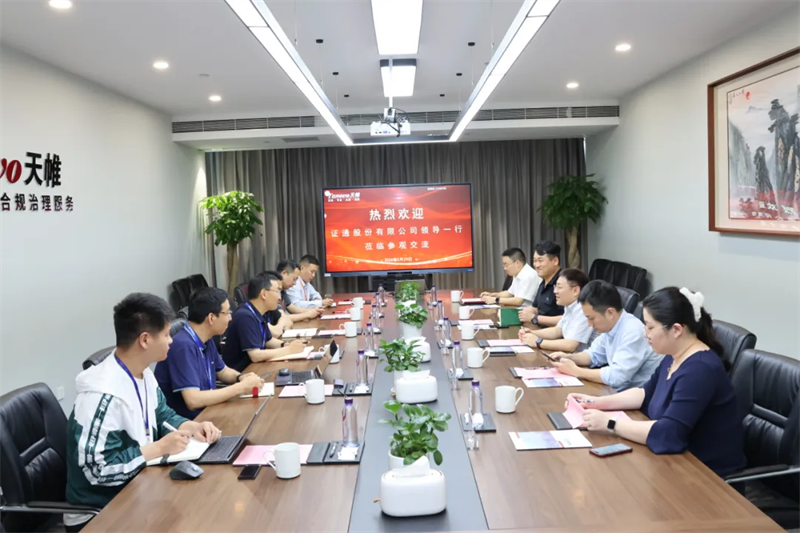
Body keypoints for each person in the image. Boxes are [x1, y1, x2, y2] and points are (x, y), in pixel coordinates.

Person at [66, 293, 222, 533]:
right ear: (145, 340)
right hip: (101, 512)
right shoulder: (102, 396)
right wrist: (158, 448)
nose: (171, 340)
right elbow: (98, 471)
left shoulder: (143, 373)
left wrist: (190, 427)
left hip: (141, 486)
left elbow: (162, 414)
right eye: (167, 335)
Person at [568, 287, 746, 477]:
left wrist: (610, 423)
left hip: (703, 474)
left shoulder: (700, 369)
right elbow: (644, 393)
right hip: (672, 462)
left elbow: (668, 434)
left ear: (676, 330)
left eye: (650, 327)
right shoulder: (673, 355)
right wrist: (596, 402)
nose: (645, 334)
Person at [154, 287, 265, 419]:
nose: (230, 318)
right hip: (191, 423)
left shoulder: (206, 338)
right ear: (211, 318)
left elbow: (223, 372)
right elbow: (193, 400)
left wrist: (241, 377)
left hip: (210, 412)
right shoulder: (183, 346)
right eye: (227, 313)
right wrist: (240, 388)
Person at [550, 280, 662, 391]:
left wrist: (577, 371)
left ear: (610, 313)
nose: (589, 324)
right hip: (615, 391)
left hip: (638, 397)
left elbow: (616, 377)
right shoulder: (611, 326)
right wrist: (568, 357)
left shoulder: (633, 331)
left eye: (591, 318)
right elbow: (593, 355)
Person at [222, 272, 307, 372]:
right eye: (277, 291)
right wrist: (288, 350)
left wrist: (286, 344)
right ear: (264, 294)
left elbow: (268, 341)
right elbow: (255, 355)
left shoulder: (260, 312)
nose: (279, 297)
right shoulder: (245, 316)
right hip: (243, 372)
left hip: (257, 367)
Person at [519, 268, 596, 353]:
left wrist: (538, 342)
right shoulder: (570, 306)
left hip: (584, 359)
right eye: (555, 287)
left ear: (575, 290)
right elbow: (557, 330)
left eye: (559, 287)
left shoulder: (584, 309)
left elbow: (570, 345)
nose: (555, 291)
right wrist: (533, 333)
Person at [519, 240, 564, 327]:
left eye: (540, 260)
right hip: (541, 330)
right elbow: (538, 308)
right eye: (535, 261)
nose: (536, 265)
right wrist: (529, 311)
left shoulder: (564, 282)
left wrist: (535, 318)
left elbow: (566, 318)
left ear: (555, 261)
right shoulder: (543, 282)